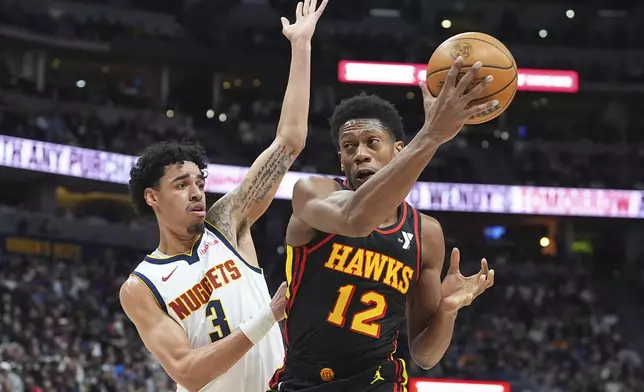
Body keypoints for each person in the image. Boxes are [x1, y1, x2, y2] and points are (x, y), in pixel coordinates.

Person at [119, 1, 328, 391]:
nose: (197, 191)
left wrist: (301, 47)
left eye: (199, 181)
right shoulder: (141, 286)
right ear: (152, 197)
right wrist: (270, 315)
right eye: (181, 184)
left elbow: (289, 142)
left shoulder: (227, 222)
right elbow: (188, 372)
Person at [269, 58, 497, 392]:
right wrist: (431, 135)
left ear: (398, 151)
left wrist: (448, 311)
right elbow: (357, 220)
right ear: (341, 160)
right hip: (303, 381)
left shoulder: (426, 232)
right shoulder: (312, 195)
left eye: (372, 143)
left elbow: (425, 355)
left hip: (378, 382)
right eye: (349, 147)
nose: (359, 154)